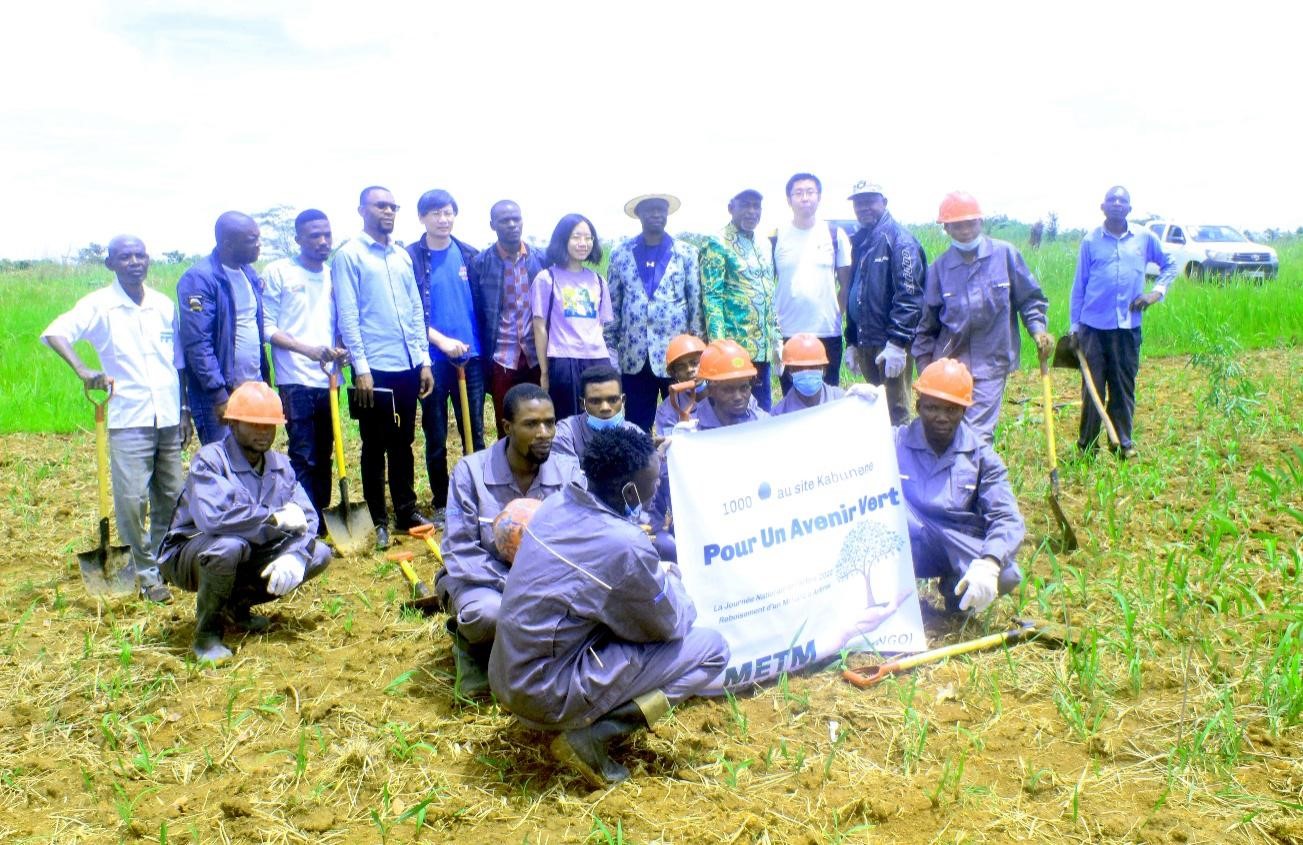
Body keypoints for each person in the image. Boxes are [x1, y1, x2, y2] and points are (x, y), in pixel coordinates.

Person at [489, 426, 729, 787]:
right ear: (628, 490)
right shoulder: (624, 544)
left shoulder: (558, 504)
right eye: (652, 482)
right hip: (547, 692)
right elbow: (669, 624)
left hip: (509, 676)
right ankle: (595, 735)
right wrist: (673, 583)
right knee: (711, 648)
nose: (656, 490)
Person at [41, 235, 186, 603]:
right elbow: (55, 333)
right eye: (125, 257)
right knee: (133, 500)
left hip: (168, 415)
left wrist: (184, 411)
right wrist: (83, 369)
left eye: (140, 255)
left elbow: (177, 364)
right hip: (127, 417)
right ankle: (145, 573)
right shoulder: (100, 305)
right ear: (111, 264)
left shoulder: (163, 305)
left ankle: (164, 562)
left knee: (171, 496)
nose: (135, 261)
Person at [158, 382, 332, 661]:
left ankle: (236, 610)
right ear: (233, 423)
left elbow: (308, 519)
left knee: (318, 553)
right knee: (228, 546)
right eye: (253, 424)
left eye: (269, 425)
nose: (263, 432)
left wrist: (297, 554)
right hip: (192, 550)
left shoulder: (280, 465)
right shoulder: (211, 460)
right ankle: (206, 635)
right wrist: (273, 518)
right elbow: (214, 518)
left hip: (247, 548)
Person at [435, 383, 584, 698]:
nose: (544, 432)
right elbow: (460, 552)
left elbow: (583, 540)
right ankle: (472, 650)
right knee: (490, 615)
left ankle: (527, 658)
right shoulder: (470, 474)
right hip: (483, 582)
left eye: (550, 423)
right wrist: (518, 588)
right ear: (507, 427)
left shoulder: (569, 473)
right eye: (531, 424)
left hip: (550, 582)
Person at [870, 359, 1023, 615]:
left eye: (952, 409)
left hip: (955, 541)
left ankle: (957, 592)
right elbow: (849, 451)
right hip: (907, 540)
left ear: (964, 410)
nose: (941, 417)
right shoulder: (895, 441)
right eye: (932, 407)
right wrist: (857, 410)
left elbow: (1006, 516)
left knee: (1006, 574)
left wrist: (989, 561)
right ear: (918, 407)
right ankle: (887, 599)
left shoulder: (981, 456)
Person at [333, 186, 435, 549]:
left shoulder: (402, 257)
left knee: (404, 441)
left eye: (393, 206)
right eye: (381, 205)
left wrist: (423, 360)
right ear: (362, 210)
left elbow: (413, 311)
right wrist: (360, 368)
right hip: (372, 368)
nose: (388, 211)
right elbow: (348, 315)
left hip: (406, 363)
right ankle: (378, 518)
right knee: (374, 446)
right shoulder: (349, 256)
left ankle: (405, 510)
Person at [913, 192, 1052, 442]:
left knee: (977, 433)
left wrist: (1038, 329)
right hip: (949, 366)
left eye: (970, 223)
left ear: (981, 222)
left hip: (992, 360)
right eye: (957, 225)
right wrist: (925, 371)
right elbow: (926, 327)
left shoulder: (1006, 255)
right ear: (946, 228)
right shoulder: (938, 269)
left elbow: (1030, 299)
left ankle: (973, 477)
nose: (965, 230)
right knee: (945, 431)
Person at [1068, 186, 1177, 459]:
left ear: (1129, 208)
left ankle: (1123, 444)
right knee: (1092, 391)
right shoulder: (1090, 241)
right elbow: (1079, 286)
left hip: (1127, 328)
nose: (1117, 204)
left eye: (1123, 201)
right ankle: (1087, 448)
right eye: (1111, 200)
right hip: (1092, 327)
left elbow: (1170, 265)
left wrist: (1155, 293)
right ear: (1102, 207)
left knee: (1123, 386)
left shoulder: (1144, 238)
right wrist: (1074, 327)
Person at [261, 209, 348, 534]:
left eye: (327, 234)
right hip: (295, 378)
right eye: (314, 235)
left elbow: (338, 323)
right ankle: (305, 521)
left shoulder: (332, 275)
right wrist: (307, 350)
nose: (322, 241)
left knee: (326, 450)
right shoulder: (280, 272)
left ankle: (322, 517)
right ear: (298, 239)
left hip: (329, 379)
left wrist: (341, 349)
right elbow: (267, 327)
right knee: (303, 452)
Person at [407, 189, 485, 525]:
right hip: (434, 361)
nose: (444, 219)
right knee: (436, 433)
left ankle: (479, 495)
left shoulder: (470, 254)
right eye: (436, 213)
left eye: (449, 212)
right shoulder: (410, 258)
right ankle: (441, 499)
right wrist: (441, 342)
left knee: (476, 432)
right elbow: (408, 312)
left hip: (472, 358)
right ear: (422, 217)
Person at [604, 193, 704, 430]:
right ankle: (642, 467)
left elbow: (695, 304)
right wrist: (610, 353)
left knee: (683, 420)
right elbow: (612, 308)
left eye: (661, 209)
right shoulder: (621, 254)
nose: (656, 214)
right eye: (649, 210)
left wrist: (699, 356)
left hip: (678, 357)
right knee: (637, 424)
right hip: (634, 358)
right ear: (638, 214)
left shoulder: (686, 253)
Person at [177, 211, 271, 445]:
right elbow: (198, 344)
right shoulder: (199, 279)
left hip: (252, 387)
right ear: (228, 245)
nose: (259, 245)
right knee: (227, 463)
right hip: (220, 394)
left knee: (254, 458)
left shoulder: (248, 273)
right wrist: (219, 395)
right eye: (252, 240)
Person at [843, 179, 926, 425]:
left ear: (884, 202)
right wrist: (852, 341)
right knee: (871, 411)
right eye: (858, 203)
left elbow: (910, 295)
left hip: (889, 344)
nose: (863, 207)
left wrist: (898, 343)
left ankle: (900, 462)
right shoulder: (861, 242)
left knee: (896, 412)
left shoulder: (900, 241)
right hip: (866, 341)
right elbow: (856, 293)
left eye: (869, 201)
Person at [471, 200, 546, 438]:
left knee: (540, 419)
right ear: (493, 225)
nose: (512, 225)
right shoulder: (480, 264)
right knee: (507, 423)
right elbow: (476, 313)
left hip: (536, 357)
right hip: (502, 357)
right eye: (505, 220)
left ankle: (539, 472)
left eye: (516, 219)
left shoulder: (540, 259)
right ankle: (508, 472)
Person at [771, 173, 853, 392]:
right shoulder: (776, 236)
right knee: (792, 399)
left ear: (819, 197)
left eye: (810, 192)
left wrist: (837, 313)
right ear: (789, 200)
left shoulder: (835, 234)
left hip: (827, 332)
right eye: (798, 193)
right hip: (788, 332)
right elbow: (769, 284)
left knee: (827, 397)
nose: (804, 198)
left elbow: (845, 284)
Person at [700, 188, 778, 410]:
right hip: (735, 350)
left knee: (761, 410)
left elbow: (769, 293)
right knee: (733, 411)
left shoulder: (764, 243)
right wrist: (719, 348)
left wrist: (776, 339)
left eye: (756, 206)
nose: (752, 211)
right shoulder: (717, 242)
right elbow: (712, 297)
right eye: (746, 205)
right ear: (731, 208)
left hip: (762, 348)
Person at [531, 214, 613, 421]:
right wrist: (544, 371)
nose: (583, 243)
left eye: (588, 238)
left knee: (602, 417)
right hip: (564, 360)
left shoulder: (599, 281)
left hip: (598, 359)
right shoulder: (546, 278)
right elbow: (539, 327)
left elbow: (600, 324)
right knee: (567, 420)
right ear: (563, 239)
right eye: (576, 237)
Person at [552, 364, 641, 460]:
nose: (605, 408)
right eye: (595, 401)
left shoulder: (635, 434)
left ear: (623, 400)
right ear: (582, 404)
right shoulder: (567, 433)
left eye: (612, 400)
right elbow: (565, 473)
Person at [686, 339, 770, 431]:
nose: (738, 397)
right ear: (710, 390)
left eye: (744, 388)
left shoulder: (763, 424)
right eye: (728, 390)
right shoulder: (691, 430)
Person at [770, 333, 845, 415]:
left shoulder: (843, 400)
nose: (807, 373)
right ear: (789, 373)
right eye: (799, 368)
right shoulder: (779, 415)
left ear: (823, 369)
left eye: (813, 367)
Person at [653, 334, 707, 436]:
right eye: (681, 367)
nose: (690, 370)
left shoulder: (723, 393)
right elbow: (668, 445)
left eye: (695, 363)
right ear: (674, 373)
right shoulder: (667, 410)